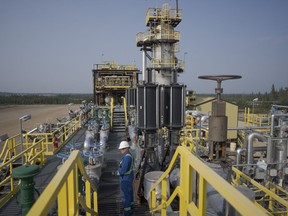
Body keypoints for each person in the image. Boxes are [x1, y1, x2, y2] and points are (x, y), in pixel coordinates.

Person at [116, 141, 134, 216]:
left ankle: (127, 212)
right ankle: (130, 208)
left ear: (126, 148)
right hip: (128, 177)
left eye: (122, 149)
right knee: (129, 194)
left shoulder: (127, 158)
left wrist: (116, 172)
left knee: (125, 196)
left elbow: (123, 170)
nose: (121, 150)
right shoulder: (128, 155)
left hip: (125, 178)